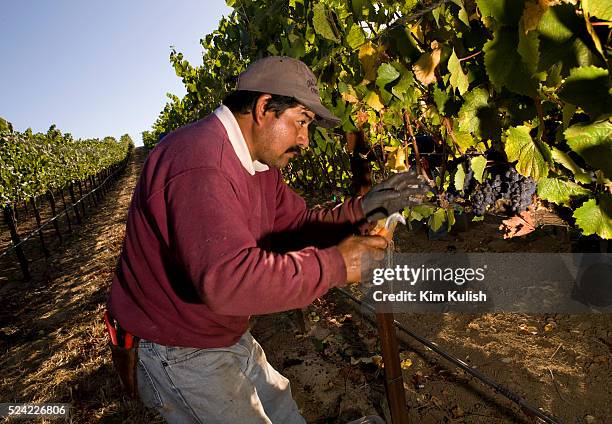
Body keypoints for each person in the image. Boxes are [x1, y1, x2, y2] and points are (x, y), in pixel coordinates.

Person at [107, 56, 427, 423]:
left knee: (282, 408)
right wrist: (339, 264)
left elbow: (296, 227)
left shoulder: (259, 167)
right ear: (263, 108)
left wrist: (362, 209)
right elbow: (226, 279)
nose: (306, 140)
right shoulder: (198, 160)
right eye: (302, 122)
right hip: (176, 346)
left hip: (220, 330)